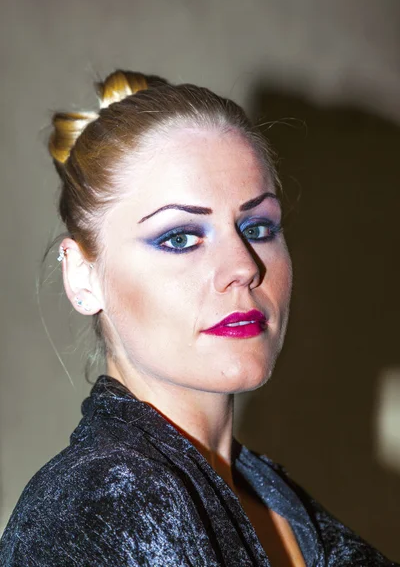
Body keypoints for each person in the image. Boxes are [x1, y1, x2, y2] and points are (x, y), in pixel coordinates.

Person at [0, 70, 396, 567]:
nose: (244, 268)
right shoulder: (100, 508)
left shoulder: (274, 500)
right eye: (180, 237)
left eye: (257, 226)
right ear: (83, 277)